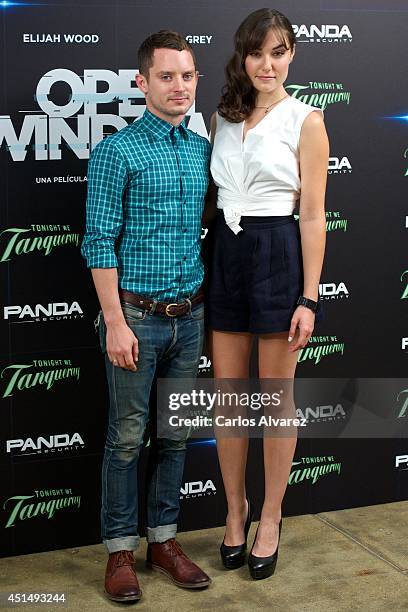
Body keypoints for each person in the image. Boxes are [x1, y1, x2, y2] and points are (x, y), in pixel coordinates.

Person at [81, 30, 212, 602]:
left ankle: (163, 540)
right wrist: (114, 321)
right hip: (135, 317)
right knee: (127, 438)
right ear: (141, 83)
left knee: (176, 435)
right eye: (166, 76)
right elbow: (98, 242)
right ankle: (119, 550)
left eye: (186, 75)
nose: (178, 86)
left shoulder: (202, 148)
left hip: (191, 318)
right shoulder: (119, 151)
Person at [207, 8, 329, 580]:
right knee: (231, 397)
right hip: (227, 252)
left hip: (278, 250)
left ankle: (272, 517)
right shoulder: (222, 117)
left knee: (275, 399)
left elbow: (312, 216)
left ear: (292, 56)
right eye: (257, 53)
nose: (267, 64)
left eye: (278, 52)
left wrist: (309, 298)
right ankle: (235, 512)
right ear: (243, 56)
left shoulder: (307, 120)